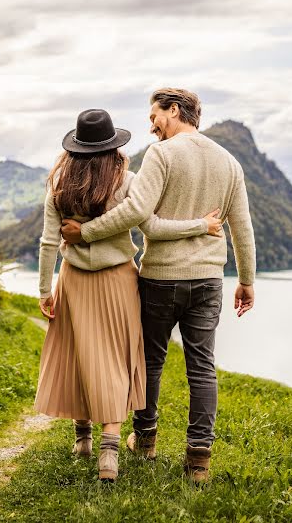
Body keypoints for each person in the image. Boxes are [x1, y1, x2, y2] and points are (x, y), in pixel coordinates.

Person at [61, 88, 256, 483]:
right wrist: (247, 280)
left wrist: (86, 233)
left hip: (161, 278)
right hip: (208, 280)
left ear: (174, 110)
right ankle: (198, 459)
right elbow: (242, 227)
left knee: (150, 361)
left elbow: (136, 213)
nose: (151, 124)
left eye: (155, 115)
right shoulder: (229, 162)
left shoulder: (162, 155)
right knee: (202, 369)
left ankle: (145, 440)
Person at [33, 108, 222, 482]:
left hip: (72, 279)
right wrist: (202, 225)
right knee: (118, 359)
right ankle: (109, 451)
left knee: (78, 352)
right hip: (119, 279)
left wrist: (44, 290)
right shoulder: (126, 180)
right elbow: (145, 222)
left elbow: (47, 241)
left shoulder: (58, 184)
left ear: (75, 147)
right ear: (113, 146)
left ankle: (82, 437)